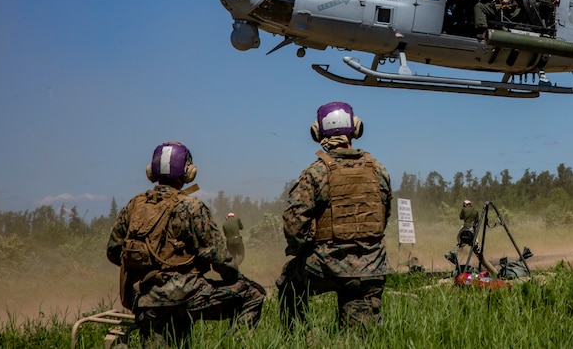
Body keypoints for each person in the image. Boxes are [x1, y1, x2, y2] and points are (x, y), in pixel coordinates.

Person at [106, 142, 265, 346]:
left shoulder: (134, 205)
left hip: (145, 302)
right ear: (188, 172)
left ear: (151, 171)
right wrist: (233, 276)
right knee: (253, 294)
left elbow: (113, 252)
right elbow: (218, 258)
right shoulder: (192, 207)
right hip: (186, 297)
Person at [276, 102, 393, 334]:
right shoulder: (378, 169)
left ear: (317, 133)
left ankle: (301, 337)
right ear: (356, 129)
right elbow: (384, 215)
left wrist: (304, 248)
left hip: (324, 266)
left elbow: (294, 225)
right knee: (359, 337)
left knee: (288, 281)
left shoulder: (316, 172)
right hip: (370, 268)